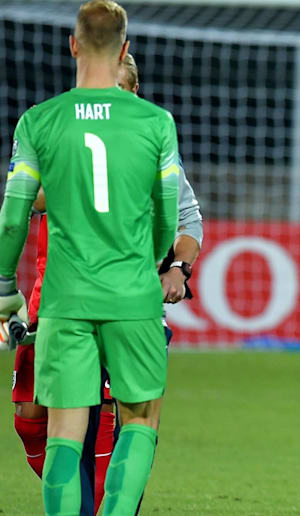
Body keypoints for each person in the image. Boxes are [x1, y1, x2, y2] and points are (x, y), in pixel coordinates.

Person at [0, 1, 180, 514]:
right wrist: (144, 265)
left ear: (73, 46)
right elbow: (166, 217)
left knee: (63, 432)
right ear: (124, 49)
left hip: (64, 299)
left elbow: (14, 218)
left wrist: (4, 289)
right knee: (139, 421)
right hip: (132, 295)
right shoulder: (156, 123)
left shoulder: (39, 122)